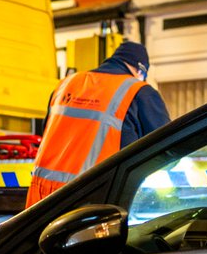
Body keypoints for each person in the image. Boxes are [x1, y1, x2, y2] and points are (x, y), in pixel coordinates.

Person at [26, 40, 170, 206]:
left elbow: (47, 133)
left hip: (41, 202)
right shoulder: (139, 91)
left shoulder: (65, 84)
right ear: (140, 70)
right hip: (90, 202)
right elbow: (167, 147)